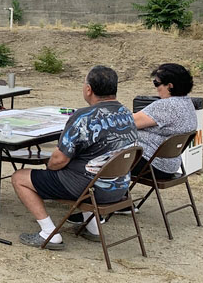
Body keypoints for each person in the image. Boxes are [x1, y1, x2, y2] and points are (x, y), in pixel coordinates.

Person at [11, 65, 137, 250]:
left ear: (88, 89)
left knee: (19, 177)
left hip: (90, 188)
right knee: (83, 164)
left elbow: (58, 160)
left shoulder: (83, 117)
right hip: (120, 187)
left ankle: (48, 233)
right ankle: (93, 228)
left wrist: (50, 169)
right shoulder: (127, 114)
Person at [132, 63, 197, 180]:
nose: (156, 88)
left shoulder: (167, 106)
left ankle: (107, 195)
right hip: (170, 164)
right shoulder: (187, 103)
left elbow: (129, 122)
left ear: (170, 86)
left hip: (151, 165)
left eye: (157, 83)